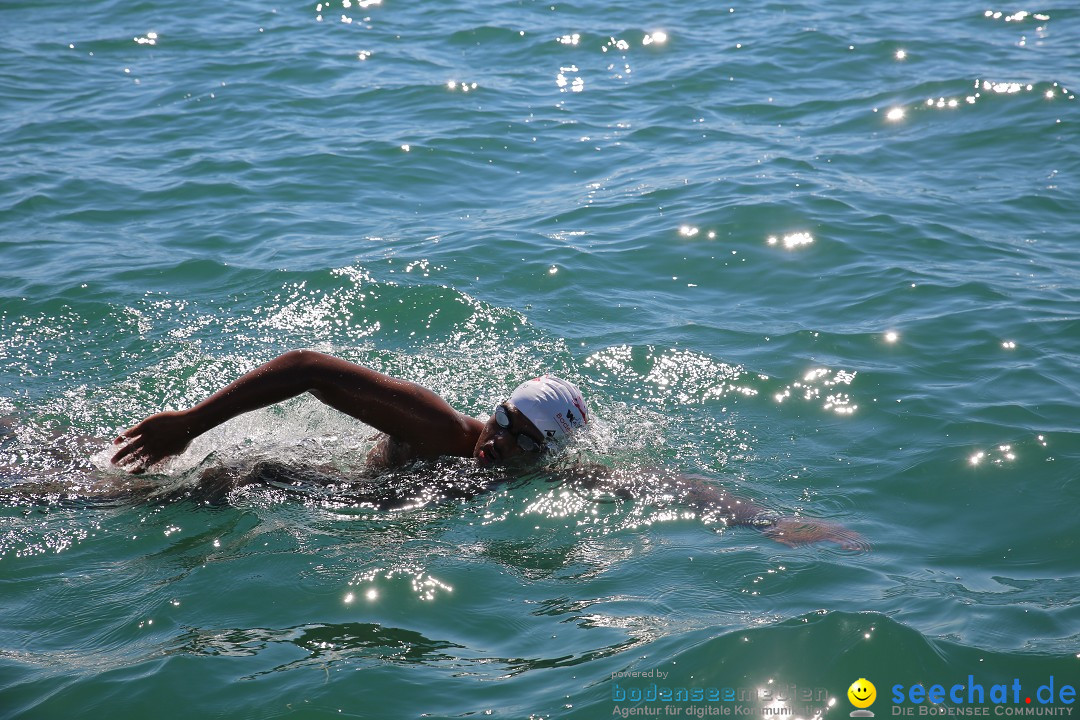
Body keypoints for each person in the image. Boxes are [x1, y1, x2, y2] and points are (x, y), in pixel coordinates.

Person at [111, 350, 865, 549]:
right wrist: (192, 422)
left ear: (551, 455)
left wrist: (768, 524)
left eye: (523, 442)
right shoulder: (444, 430)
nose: (498, 445)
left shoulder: (551, 475)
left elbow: (660, 484)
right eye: (501, 421)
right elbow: (308, 369)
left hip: (333, 515)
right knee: (111, 491)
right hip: (273, 483)